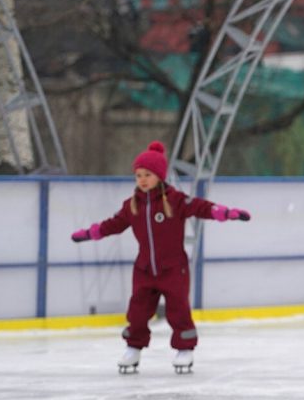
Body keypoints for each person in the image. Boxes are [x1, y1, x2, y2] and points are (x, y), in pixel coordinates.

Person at [71, 140, 250, 374]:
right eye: (138, 175)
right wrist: (89, 233)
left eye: (147, 174)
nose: (142, 179)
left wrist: (227, 213)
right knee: (137, 311)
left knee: (179, 310)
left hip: (174, 268)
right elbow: (112, 225)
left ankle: (184, 349)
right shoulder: (132, 205)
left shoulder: (175, 200)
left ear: (160, 176)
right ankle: (133, 348)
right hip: (144, 269)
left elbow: (201, 207)